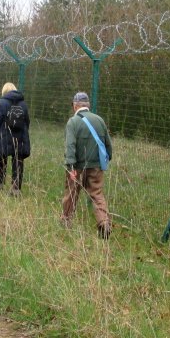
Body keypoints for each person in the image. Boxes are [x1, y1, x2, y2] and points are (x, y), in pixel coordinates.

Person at [61, 91, 113, 239]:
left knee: (71, 193)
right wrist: (107, 157)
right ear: (88, 106)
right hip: (96, 166)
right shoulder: (99, 120)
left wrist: (71, 167)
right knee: (96, 194)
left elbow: (70, 146)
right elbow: (108, 144)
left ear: (75, 105)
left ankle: (66, 221)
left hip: (77, 167)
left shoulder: (73, 122)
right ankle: (104, 223)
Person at [0, 82, 30, 195]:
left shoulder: (2, 102)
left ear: (4, 91)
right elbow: (27, 121)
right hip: (20, 137)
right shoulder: (23, 104)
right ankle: (16, 189)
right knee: (18, 162)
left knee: (1, 160)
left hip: (5, 136)